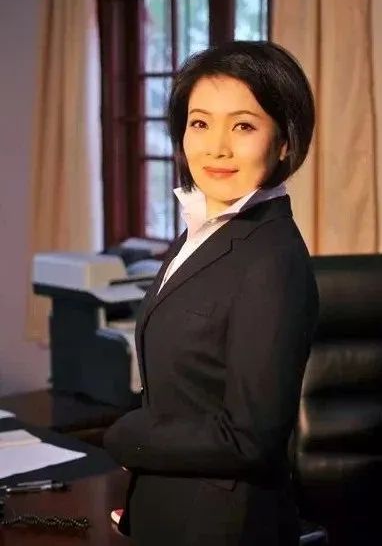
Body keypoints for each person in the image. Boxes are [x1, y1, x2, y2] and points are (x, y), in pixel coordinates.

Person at [104, 40, 319, 546]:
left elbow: (251, 439)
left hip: (223, 525)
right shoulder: (206, 229)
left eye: (243, 126)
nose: (216, 147)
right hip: (174, 507)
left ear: (283, 142)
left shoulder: (272, 260)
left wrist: (128, 437)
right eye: (200, 123)